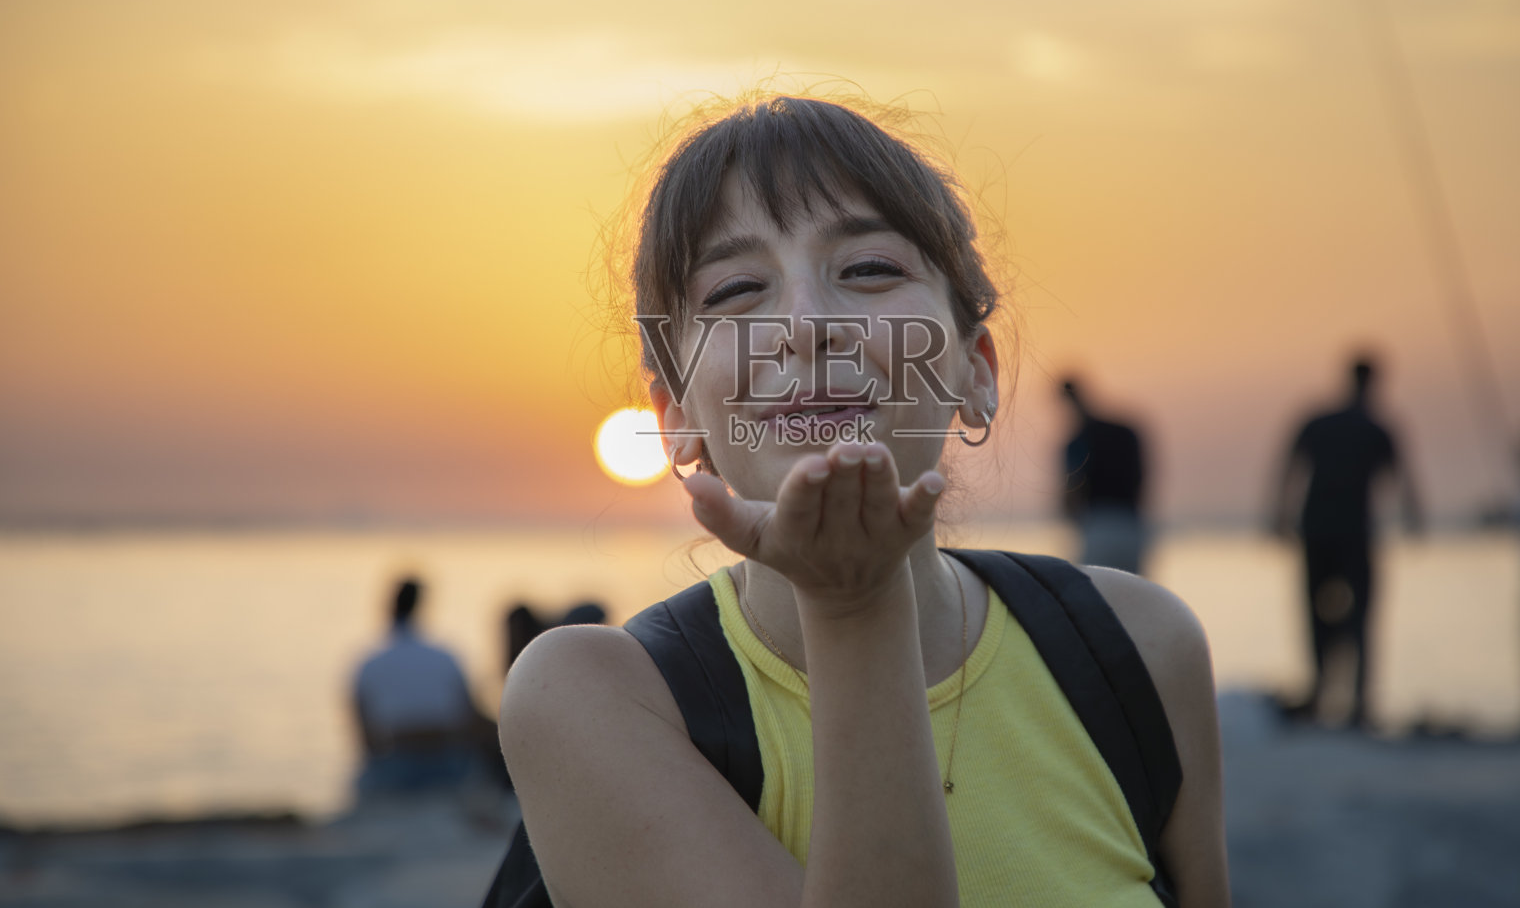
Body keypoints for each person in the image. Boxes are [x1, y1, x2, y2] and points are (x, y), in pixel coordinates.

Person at [498, 96, 1229, 907]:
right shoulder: (594, 697)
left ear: (974, 371)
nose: (806, 325)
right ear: (675, 418)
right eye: (738, 289)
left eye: (870, 270)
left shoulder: (1134, 648)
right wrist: (852, 603)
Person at [1271, 356, 1422, 728]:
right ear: (1373, 382)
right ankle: (1356, 702)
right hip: (1351, 533)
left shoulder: (1323, 421)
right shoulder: (1374, 427)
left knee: (1318, 613)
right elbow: (1404, 478)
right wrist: (1415, 516)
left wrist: (1278, 514)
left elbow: (1288, 466)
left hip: (1320, 530)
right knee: (1359, 615)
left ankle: (1326, 692)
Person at [353, 577, 485, 798]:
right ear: (420, 606)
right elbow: (469, 715)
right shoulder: (446, 656)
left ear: (389, 606)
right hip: (447, 760)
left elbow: (363, 731)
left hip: (396, 762)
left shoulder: (371, 662)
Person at [1060, 377, 1150, 575]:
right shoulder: (1124, 431)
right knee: (1134, 596)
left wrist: (1072, 519)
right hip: (1132, 524)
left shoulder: (1078, 439)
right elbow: (1144, 478)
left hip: (1098, 525)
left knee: (1091, 596)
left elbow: (1070, 489)